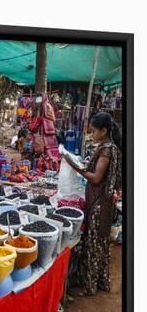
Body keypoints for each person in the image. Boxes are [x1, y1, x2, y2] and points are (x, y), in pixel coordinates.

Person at [65, 112, 121, 296]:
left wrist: (76, 167)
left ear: (104, 131)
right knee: (100, 244)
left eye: (94, 130)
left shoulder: (106, 149)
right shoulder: (108, 147)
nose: (92, 133)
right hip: (102, 202)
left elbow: (96, 178)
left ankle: (90, 287)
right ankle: (100, 282)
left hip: (99, 204)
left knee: (93, 245)